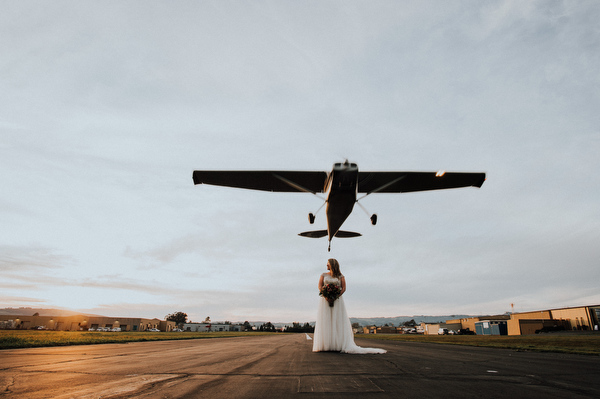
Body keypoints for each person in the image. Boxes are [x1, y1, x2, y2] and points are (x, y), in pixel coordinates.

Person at [312, 258, 386, 354]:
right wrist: (326, 295)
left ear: (333, 265)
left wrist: (335, 296)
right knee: (325, 320)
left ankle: (337, 344)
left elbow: (343, 288)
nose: (326, 266)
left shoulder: (341, 276)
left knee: (337, 320)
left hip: (337, 300)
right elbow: (319, 286)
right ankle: (325, 344)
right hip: (325, 300)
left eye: (328, 264)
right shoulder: (323, 275)